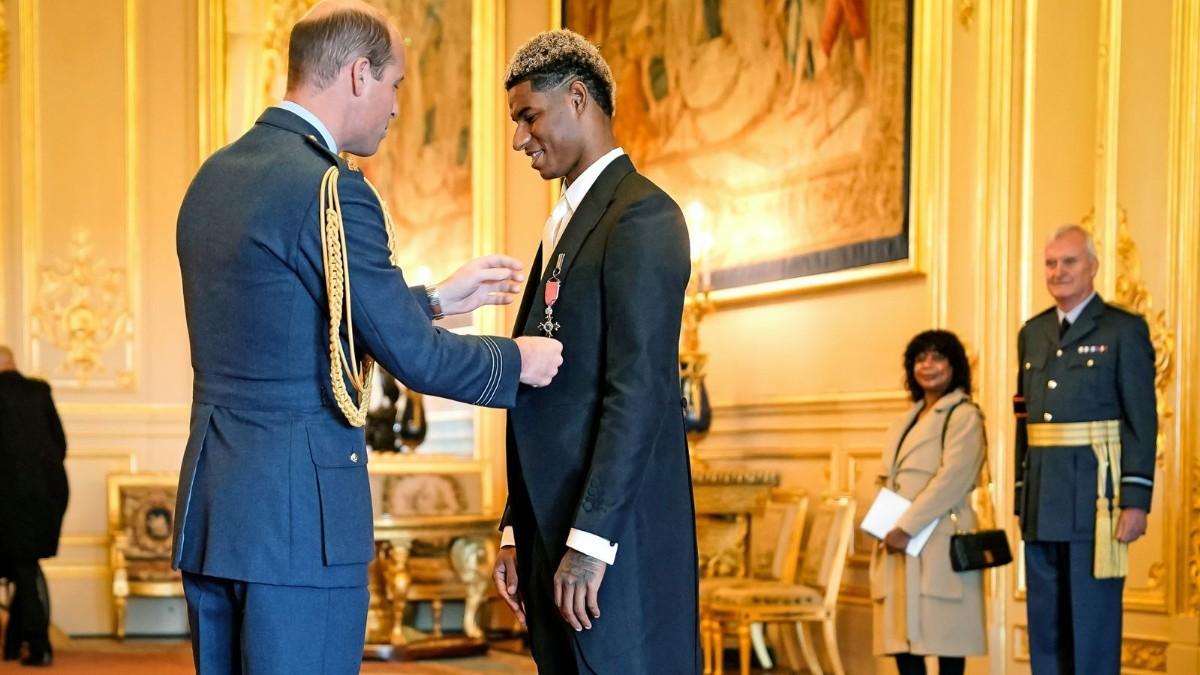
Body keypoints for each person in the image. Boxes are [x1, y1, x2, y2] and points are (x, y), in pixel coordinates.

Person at [171, 2, 563, 673]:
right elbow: (414, 357)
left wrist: (433, 299)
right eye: (396, 85)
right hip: (302, 525)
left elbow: (291, 324)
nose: (396, 107)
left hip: (216, 512)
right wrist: (517, 358)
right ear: (358, 74)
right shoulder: (331, 189)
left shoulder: (214, 178)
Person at [490, 30, 699, 674]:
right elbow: (542, 390)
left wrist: (589, 541)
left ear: (577, 98)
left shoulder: (641, 216)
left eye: (529, 116)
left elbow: (637, 391)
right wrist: (513, 526)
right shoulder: (566, 222)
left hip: (609, 543)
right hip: (549, 531)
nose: (520, 138)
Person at [1014, 224, 1156, 674]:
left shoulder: (1121, 329)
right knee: (1047, 629)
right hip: (1043, 502)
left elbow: (1141, 421)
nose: (1058, 272)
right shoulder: (1032, 333)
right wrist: (1023, 493)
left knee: (1091, 628)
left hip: (1097, 501)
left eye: (1069, 262)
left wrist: (1135, 501)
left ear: (1093, 267)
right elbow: (1024, 419)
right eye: (1051, 263)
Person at [870, 330, 986, 675]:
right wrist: (883, 527)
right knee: (903, 646)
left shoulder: (963, 415)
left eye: (938, 357)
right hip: (898, 543)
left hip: (938, 538)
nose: (928, 365)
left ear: (954, 365)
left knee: (947, 643)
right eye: (921, 358)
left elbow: (952, 481)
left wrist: (907, 527)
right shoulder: (908, 419)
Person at [0, 346, 68, 667]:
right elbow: (60, 445)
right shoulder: (40, 392)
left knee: (22, 569)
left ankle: (39, 647)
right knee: (24, 567)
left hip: (8, 501)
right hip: (48, 498)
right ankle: (14, 644)